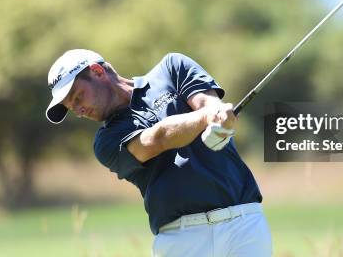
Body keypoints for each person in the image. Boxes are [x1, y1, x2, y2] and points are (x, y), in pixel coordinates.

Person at [45, 49, 272, 256]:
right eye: (70, 106)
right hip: (183, 239)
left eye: (77, 97)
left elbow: (208, 103)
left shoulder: (172, 69)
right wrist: (207, 117)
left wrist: (219, 115)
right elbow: (157, 140)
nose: (78, 110)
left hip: (244, 225)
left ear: (97, 71)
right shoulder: (106, 142)